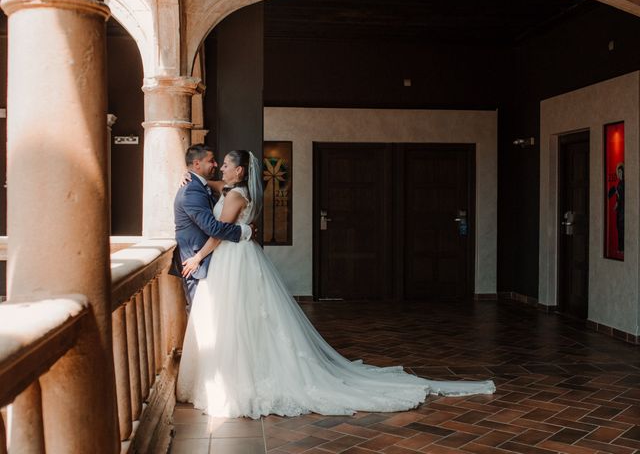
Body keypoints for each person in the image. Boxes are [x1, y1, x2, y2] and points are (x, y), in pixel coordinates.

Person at [176, 149, 495, 419]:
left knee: (241, 319)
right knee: (243, 320)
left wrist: (197, 257)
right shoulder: (234, 190)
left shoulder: (235, 195)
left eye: (227, 165)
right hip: (237, 259)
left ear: (240, 170)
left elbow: (219, 230)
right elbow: (217, 188)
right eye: (218, 165)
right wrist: (195, 178)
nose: (222, 168)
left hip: (234, 260)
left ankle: (244, 377)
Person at [172, 144, 254, 313]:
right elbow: (214, 228)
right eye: (212, 161)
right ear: (196, 164)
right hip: (195, 261)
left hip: (215, 256)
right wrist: (245, 231)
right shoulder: (192, 190)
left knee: (216, 312)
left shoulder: (221, 189)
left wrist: (192, 175)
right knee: (201, 314)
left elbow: (213, 185)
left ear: (238, 170)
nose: (217, 166)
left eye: (224, 164)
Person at [608, 163, 624, 253]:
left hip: (623, 210)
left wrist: (617, 203)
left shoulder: (623, 184)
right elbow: (618, 197)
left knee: (621, 228)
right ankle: (620, 247)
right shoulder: (618, 184)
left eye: (621, 172)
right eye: (618, 172)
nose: (619, 174)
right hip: (619, 210)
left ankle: (622, 248)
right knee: (619, 228)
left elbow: (621, 197)